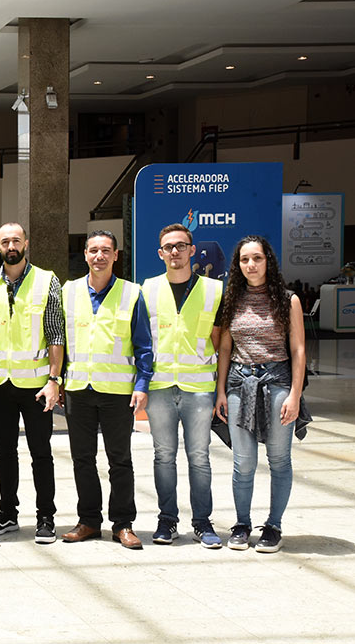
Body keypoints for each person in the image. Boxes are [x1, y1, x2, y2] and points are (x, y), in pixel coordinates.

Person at [60, 230, 152, 550]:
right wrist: (56, 380)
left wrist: (142, 385)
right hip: (78, 389)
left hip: (117, 391)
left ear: (116, 256)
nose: (99, 256)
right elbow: (59, 343)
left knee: (120, 460)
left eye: (106, 251)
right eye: (93, 250)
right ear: (85, 255)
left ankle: (123, 524)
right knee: (82, 459)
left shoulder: (132, 293)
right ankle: (88, 521)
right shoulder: (67, 292)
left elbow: (144, 346)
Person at [215, 235, 306, 553]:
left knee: (279, 459)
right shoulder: (232, 299)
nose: (251, 265)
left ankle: (274, 526)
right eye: (244, 260)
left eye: (257, 258)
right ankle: (241, 524)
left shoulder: (288, 299)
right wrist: (220, 393)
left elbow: (298, 349)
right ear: (238, 265)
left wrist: (295, 394)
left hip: (278, 384)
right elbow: (225, 348)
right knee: (243, 462)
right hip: (240, 384)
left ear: (268, 260)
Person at [0, 222, 65, 544]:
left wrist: (54, 379)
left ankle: (46, 516)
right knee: (4, 452)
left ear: (26, 243)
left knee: (41, 452)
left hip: (37, 385)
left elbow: (56, 332)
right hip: (0, 385)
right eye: (5, 241)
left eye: (16, 240)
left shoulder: (47, 280)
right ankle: (8, 512)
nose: (11, 245)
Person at [142, 223, 224, 548]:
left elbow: (222, 344)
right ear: (160, 253)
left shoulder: (215, 291)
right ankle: (167, 520)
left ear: (192, 250)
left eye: (181, 245)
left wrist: (220, 390)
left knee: (199, 457)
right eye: (168, 247)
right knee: (163, 456)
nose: (175, 251)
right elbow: (140, 342)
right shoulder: (146, 290)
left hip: (199, 388)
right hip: (160, 387)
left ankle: (202, 523)